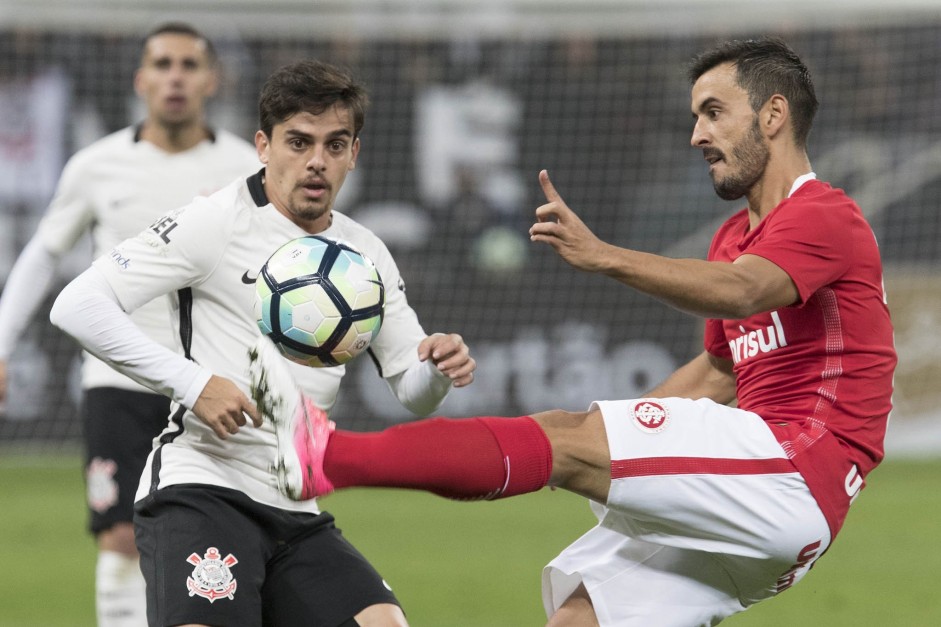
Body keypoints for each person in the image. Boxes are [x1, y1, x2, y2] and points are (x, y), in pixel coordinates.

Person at [248, 37, 897, 626]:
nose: (696, 133)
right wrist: (613, 443)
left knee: (563, 435)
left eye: (712, 112)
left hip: (794, 466)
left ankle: (326, 455)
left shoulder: (823, 215)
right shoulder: (732, 235)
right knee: (580, 615)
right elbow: (716, 373)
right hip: (755, 507)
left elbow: (745, 289)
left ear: (772, 115)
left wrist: (602, 257)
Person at [51, 59, 475, 627]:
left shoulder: (365, 252)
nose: (316, 161)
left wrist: (439, 369)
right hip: (201, 486)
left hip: (295, 504)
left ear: (355, 153)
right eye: (298, 142)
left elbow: (411, 388)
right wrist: (195, 383)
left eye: (334, 144)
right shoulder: (216, 221)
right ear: (263, 146)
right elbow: (77, 305)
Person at [0, 22, 259, 627]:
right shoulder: (96, 165)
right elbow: (42, 255)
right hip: (116, 382)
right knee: (118, 537)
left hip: (209, 384)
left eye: (189, 65)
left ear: (210, 80)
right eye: (163, 64)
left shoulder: (245, 166)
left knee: (217, 540)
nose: (175, 76)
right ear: (141, 79)